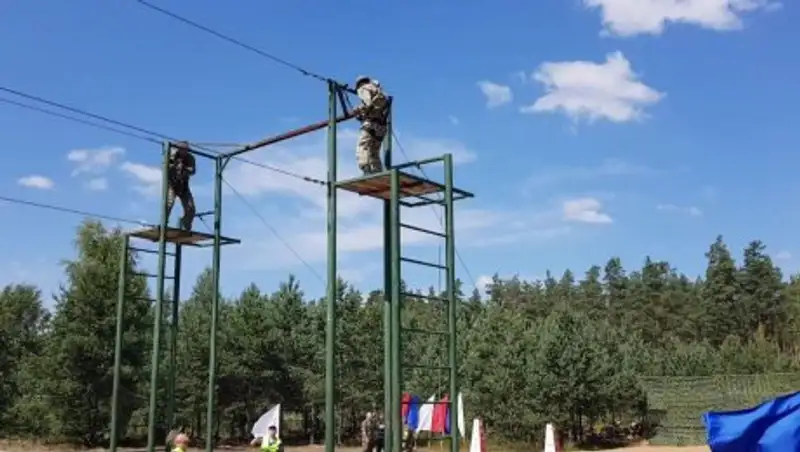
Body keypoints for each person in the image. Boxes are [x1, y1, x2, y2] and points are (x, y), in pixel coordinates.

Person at [352, 75, 389, 175]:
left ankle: (366, 170)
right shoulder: (379, 91)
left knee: (363, 147)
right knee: (374, 152)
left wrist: (358, 110)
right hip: (382, 126)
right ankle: (377, 173)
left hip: (371, 124)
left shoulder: (363, 88)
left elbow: (367, 104)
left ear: (359, 84)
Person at [166, 141, 196, 231]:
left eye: (186, 150)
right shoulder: (172, 154)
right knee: (168, 204)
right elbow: (166, 166)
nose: (184, 152)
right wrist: (175, 165)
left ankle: (185, 224)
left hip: (184, 186)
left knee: (191, 208)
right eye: (182, 150)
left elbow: (193, 171)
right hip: (172, 184)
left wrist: (185, 168)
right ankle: (164, 223)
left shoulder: (190, 158)